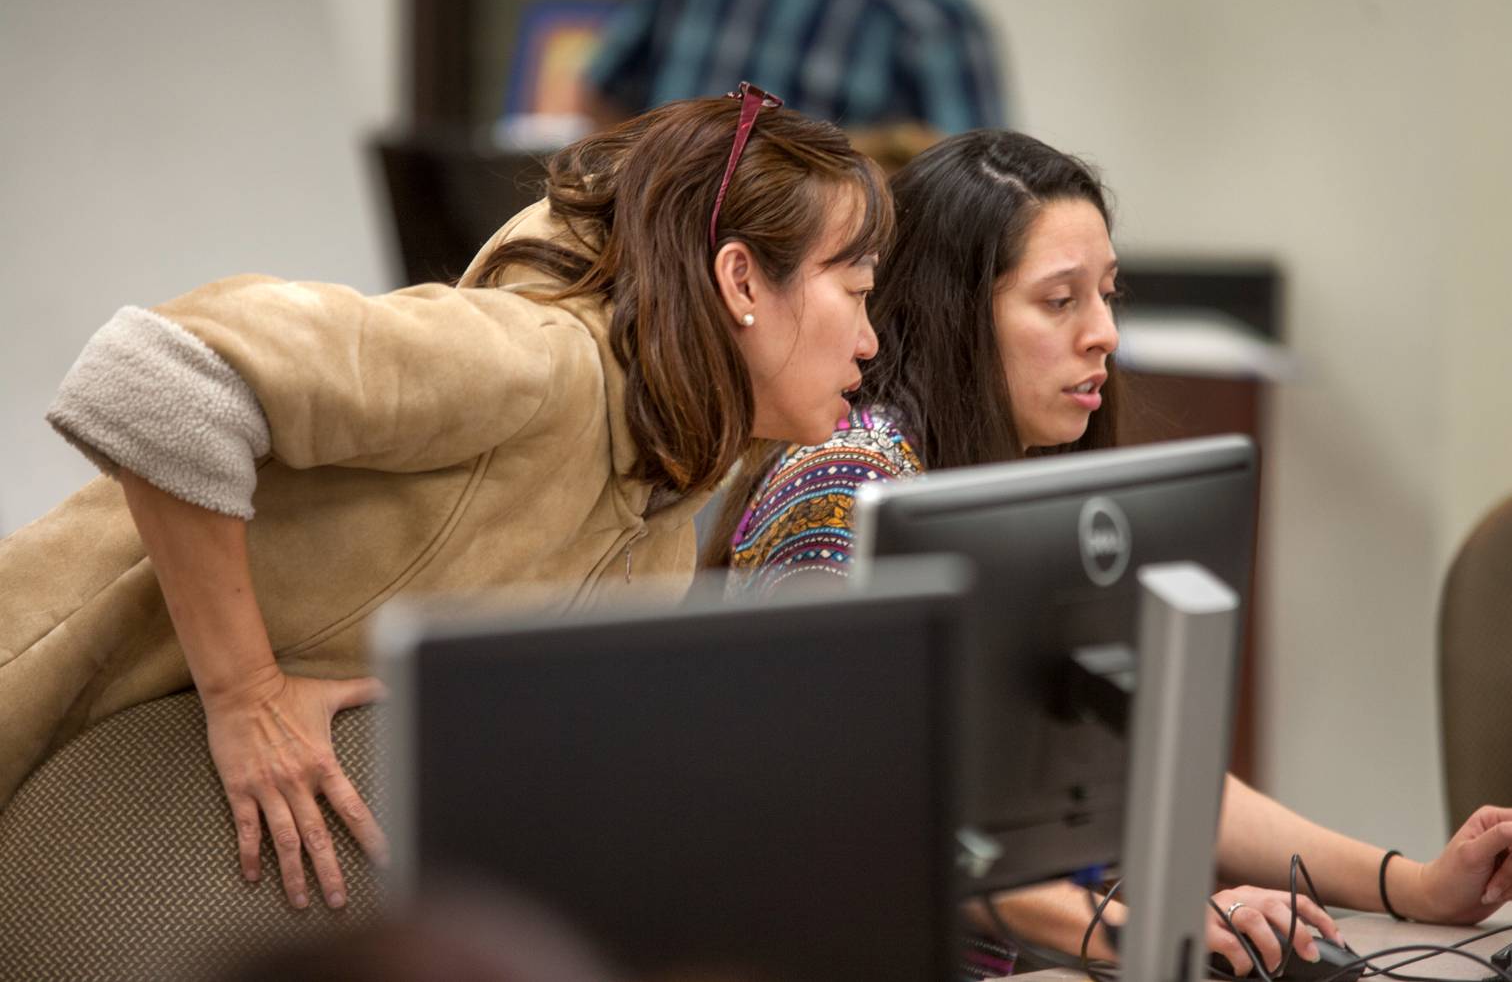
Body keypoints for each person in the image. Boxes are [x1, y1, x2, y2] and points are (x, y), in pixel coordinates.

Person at [0, 88, 889, 915]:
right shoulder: (538, 361)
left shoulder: (673, 470)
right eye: (853, 293)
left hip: (123, 822)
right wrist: (247, 692)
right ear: (741, 282)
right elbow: (154, 375)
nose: (869, 339)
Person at [709, 129, 1512, 977]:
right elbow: (859, 814)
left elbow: (1149, 763)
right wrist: (1127, 918)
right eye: (1060, 301)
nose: (1104, 332)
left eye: (1108, 295)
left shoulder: (1020, 485)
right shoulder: (846, 484)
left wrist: (1414, 885)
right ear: (955, 310)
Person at [585, 0, 1005, 137]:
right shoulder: (932, 5)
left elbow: (599, 97)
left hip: (655, 263)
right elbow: (974, 196)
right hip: (806, 280)